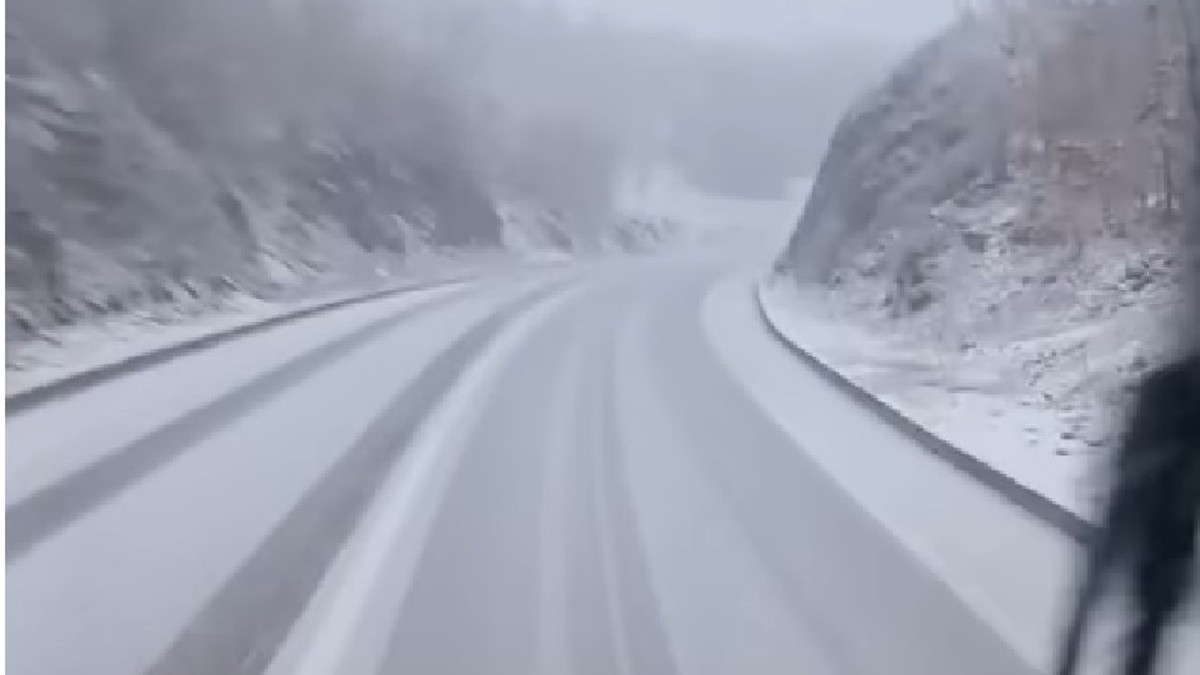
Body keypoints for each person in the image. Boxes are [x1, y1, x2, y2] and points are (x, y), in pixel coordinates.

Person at [1055, 352, 1200, 675]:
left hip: (1163, 528)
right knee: (1123, 618)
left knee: (1135, 623)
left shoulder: (1165, 383)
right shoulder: (1167, 385)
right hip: (1142, 514)